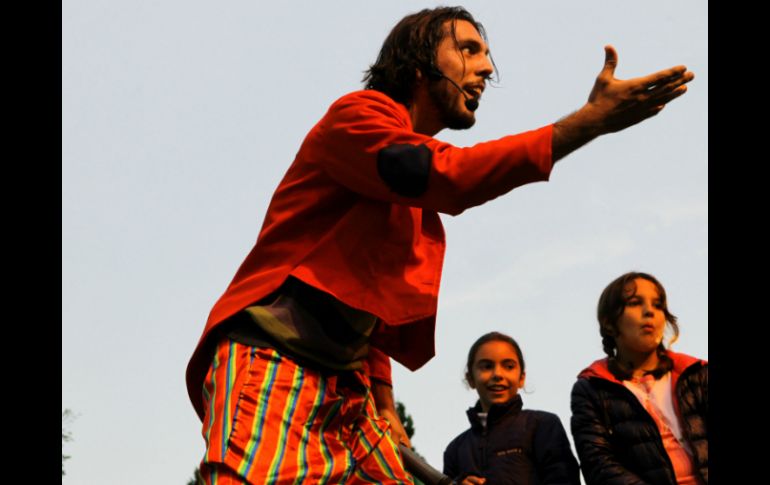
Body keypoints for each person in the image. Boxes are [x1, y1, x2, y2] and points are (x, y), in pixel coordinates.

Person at [185, 6, 695, 484]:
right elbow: (451, 176)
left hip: (348, 393)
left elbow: (367, 308)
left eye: (486, 56)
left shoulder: (406, 198)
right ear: (418, 63)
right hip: (274, 361)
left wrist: (385, 404)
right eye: (469, 50)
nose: (487, 68)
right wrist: (590, 121)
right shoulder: (356, 119)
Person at [570, 272, 708, 484]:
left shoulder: (696, 374)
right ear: (609, 324)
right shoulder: (592, 389)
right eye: (635, 303)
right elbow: (598, 464)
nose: (649, 311)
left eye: (658, 305)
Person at [444, 332, 580, 485]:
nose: (497, 374)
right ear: (470, 379)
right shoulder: (456, 450)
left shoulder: (542, 425)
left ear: (521, 378)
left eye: (508, 366)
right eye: (487, 366)